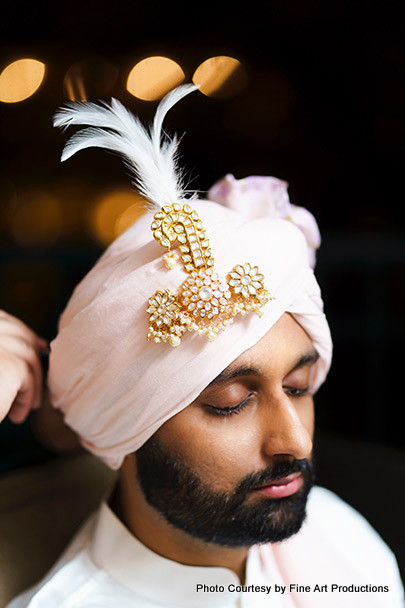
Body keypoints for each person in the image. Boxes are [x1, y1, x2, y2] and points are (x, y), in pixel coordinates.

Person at [7, 85, 404, 607]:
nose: (296, 443)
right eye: (230, 402)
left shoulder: (343, 541)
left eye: (299, 386)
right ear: (127, 424)